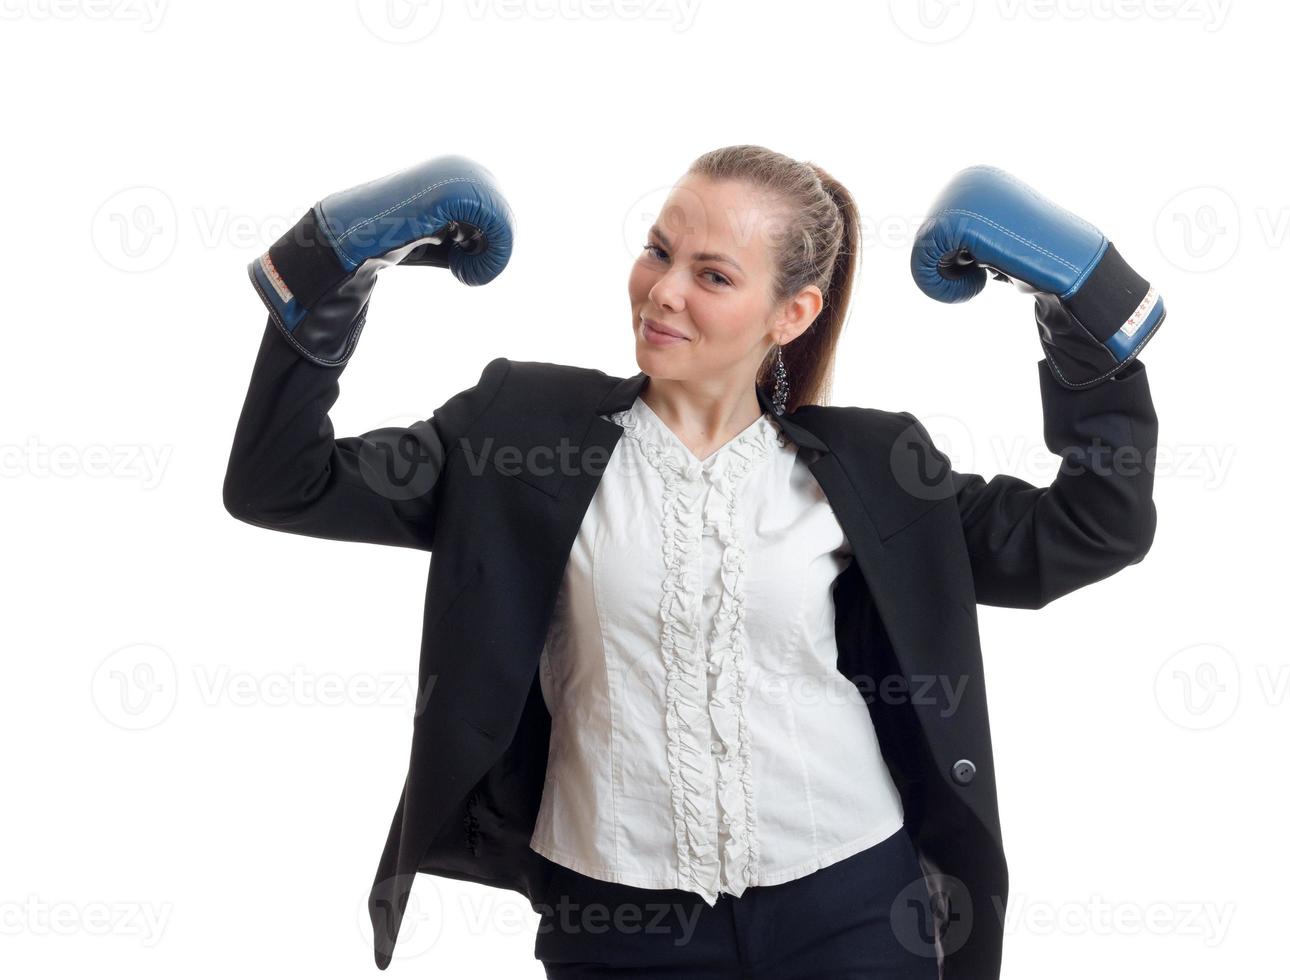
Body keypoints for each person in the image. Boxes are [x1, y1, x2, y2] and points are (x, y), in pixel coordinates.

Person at [224, 146, 1163, 980]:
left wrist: (1084, 309)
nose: (664, 290)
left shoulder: (879, 467)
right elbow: (281, 481)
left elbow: (1092, 526)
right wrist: (334, 271)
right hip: (614, 925)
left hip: (853, 912)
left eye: (712, 274)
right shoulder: (518, 434)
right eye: (657, 250)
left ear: (790, 313)